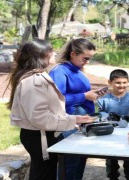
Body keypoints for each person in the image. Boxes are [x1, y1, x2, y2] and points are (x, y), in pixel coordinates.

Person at [7, 39, 93, 180]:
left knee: (41, 172)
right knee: (44, 174)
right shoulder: (35, 80)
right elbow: (40, 118)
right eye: (51, 50)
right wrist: (71, 120)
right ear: (42, 55)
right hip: (40, 136)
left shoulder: (35, 76)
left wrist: (73, 119)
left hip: (40, 135)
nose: (54, 53)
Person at [49, 38, 103, 180]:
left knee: (79, 163)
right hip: (69, 124)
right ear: (73, 54)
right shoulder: (59, 71)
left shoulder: (78, 71)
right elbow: (56, 100)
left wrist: (91, 95)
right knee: (69, 165)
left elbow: (78, 94)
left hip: (82, 123)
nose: (87, 62)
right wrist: (85, 96)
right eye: (85, 58)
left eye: (90, 59)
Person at [97, 69, 129, 180]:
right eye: (118, 82)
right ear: (110, 82)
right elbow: (99, 112)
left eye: (124, 82)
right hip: (110, 134)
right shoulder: (104, 99)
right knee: (111, 160)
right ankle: (112, 176)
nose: (121, 85)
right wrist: (106, 115)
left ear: (128, 82)